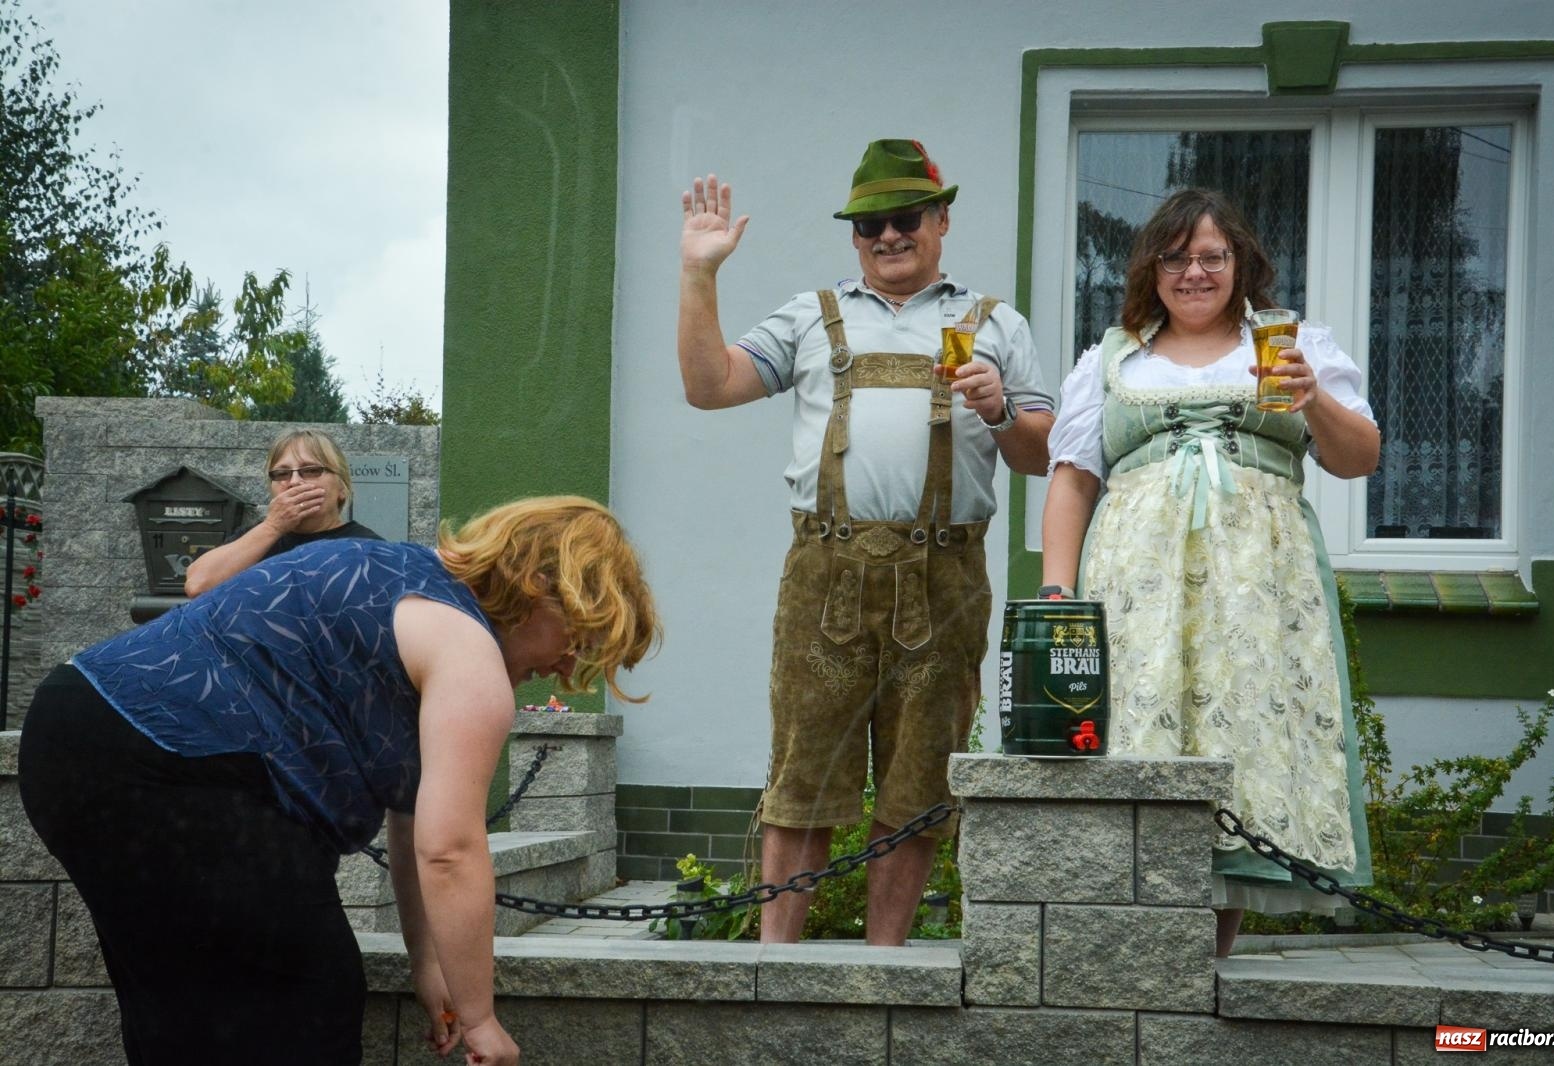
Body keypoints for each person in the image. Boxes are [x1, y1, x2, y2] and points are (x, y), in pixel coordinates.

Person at [19, 496, 660, 1064]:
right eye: (577, 634)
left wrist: (432, 964)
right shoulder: (468, 652)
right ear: (537, 582)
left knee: (188, 1009)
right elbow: (452, 852)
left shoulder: (403, 576)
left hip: (73, 729)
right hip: (171, 760)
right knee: (309, 1001)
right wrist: (482, 1019)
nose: (564, 663)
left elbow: (416, 832)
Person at [677, 139, 1055, 945]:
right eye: (869, 223)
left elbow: (1042, 456)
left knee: (919, 782)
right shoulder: (812, 317)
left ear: (941, 218)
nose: (888, 235)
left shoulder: (996, 323)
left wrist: (999, 409)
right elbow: (708, 388)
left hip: (946, 574)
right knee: (802, 776)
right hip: (825, 571)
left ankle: (883, 969)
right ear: (855, 236)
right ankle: (772, 968)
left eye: (905, 217)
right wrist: (700, 273)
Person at [1039, 188, 1381, 957]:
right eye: (1176, 257)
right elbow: (1070, 480)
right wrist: (1058, 596)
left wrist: (1312, 398)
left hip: (1257, 582)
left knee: (1237, 738)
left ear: (1240, 264)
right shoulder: (1112, 357)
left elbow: (1359, 458)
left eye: (1211, 257)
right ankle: (1136, 946)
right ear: (1152, 268)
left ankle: (1208, 960)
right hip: (1136, 586)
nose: (1194, 272)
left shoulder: (1292, 345)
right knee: (1139, 727)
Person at [184, 428, 382, 597]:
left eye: (311, 470)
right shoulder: (257, 539)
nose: (294, 481)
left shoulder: (369, 547)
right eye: (282, 473)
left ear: (341, 487)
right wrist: (273, 526)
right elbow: (198, 585)